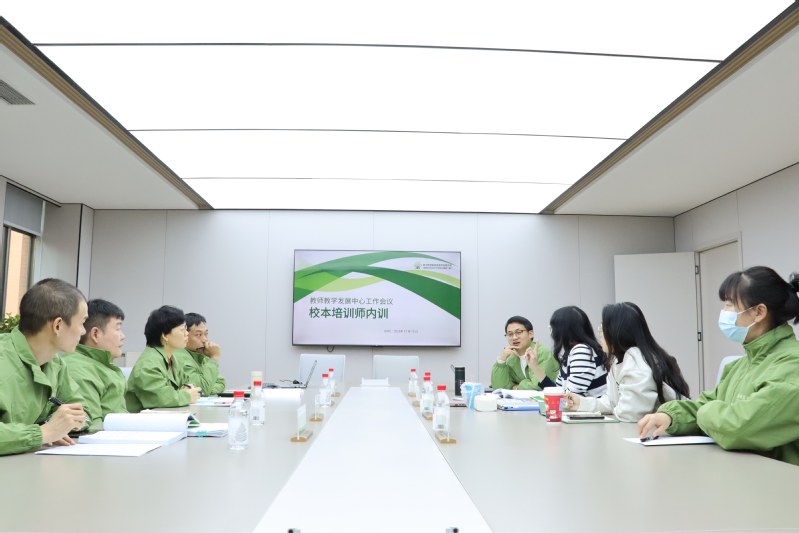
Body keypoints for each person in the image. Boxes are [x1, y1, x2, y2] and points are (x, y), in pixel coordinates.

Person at [639, 266, 799, 465]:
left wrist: (705, 413)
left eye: (729, 305)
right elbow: (706, 404)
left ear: (759, 312)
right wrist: (671, 416)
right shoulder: (743, 364)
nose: (724, 312)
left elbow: (737, 428)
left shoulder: (792, 365)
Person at [0, 278, 90, 455]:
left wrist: (57, 426)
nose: (83, 331)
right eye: (81, 323)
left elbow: (81, 411)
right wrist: (43, 433)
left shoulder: (55, 364)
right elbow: (46, 431)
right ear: (58, 325)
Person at [564, 302, 690, 421]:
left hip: (671, 430)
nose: (600, 335)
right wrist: (581, 403)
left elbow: (631, 414)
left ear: (617, 332)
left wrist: (613, 410)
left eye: (602, 329)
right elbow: (612, 402)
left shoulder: (636, 360)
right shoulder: (619, 361)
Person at [61, 299, 128, 431]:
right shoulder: (79, 370)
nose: (123, 336)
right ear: (95, 334)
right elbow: (91, 429)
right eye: (118, 328)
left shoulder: (100, 365)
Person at [125, 305, 200, 412]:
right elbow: (160, 399)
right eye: (182, 330)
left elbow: (188, 385)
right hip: (142, 421)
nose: (187, 333)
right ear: (165, 335)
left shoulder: (173, 358)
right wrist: (187, 396)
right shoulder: (148, 364)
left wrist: (185, 390)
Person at [527, 306, 607, 397]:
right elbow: (558, 392)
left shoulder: (581, 351)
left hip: (591, 406)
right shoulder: (571, 353)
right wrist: (534, 367)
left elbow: (571, 397)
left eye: (552, 328)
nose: (551, 332)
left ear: (563, 329)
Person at [491, 316, 559, 390]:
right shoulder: (511, 359)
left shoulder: (542, 353)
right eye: (510, 334)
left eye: (518, 332)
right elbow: (499, 388)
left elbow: (537, 386)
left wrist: (517, 386)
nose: (514, 337)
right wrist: (501, 360)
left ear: (530, 334)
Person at [175, 312, 226, 396]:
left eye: (206, 334)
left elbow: (221, 382)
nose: (205, 339)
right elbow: (203, 389)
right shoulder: (179, 357)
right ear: (185, 335)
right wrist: (214, 358)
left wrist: (207, 389)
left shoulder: (201, 354)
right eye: (198, 335)